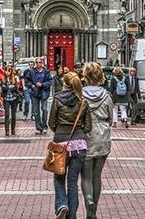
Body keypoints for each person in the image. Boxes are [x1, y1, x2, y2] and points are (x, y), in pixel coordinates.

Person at [48, 72, 93, 219]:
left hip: (61, 142)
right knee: (73, 182)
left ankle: (62, 204)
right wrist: (79, 132)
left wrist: (60, 131)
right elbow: (88, 127)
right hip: (79, 144)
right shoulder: (83, 101)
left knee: (58, 177)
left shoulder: (57, 99)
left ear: (64, 84)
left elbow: (51, 122)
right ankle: (72, 216)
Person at [81, 63, 114, 219]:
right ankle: (93, 211)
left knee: (86, 175)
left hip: (86, 136)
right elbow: (111, 118)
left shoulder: (80, 95)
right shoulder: (106, 96)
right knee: (97, 175)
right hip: (102, 136)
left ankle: (88, 200)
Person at [28, 58, 52, 134]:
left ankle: (44, 126)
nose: (38, 64)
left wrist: (42, 85)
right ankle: (38, 128)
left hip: (44, 93)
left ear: (42, 63)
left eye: (40, 62)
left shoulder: (46, 72)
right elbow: (27, 81)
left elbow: (50, 81)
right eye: (37, 62)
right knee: (36, 111)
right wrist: (31, 85)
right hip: (35, 93)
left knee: (44, 109)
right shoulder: (32, 72)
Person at [2, 67, 22, 136]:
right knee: (7, 115)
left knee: (14, 115)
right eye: (6, 71)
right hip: (6, 98)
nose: (7, 72)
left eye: (8, 71)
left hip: (14, 98)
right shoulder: (3, 79)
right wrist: (10, 87)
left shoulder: (15, 78)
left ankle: (13, 130)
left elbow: (16, 87)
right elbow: (3, 88)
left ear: (11, 72)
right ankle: (7, 131)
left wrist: (8, 87)